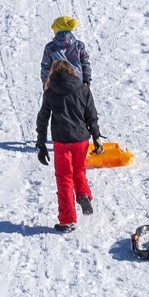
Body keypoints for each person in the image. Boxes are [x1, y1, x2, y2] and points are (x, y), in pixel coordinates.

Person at [35, 60, 103, 232]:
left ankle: (67, 220)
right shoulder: (83, 89)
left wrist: (41, 143)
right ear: (72, 72)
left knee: (64, 178)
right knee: (79, 170)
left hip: (62, 142)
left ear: (53, 74)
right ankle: (83, 195)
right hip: (81, 140)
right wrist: (96, 138)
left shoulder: (50, 92)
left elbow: (43, 118)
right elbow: (91, 116)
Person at [40, 15, 92, 85]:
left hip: (56, 86)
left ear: (56, 30)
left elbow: (46, 67)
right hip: (77, 84)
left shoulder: (50, 47)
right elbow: (85, 64)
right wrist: (86, 79)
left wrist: (46, 84)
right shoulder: (79, 45)